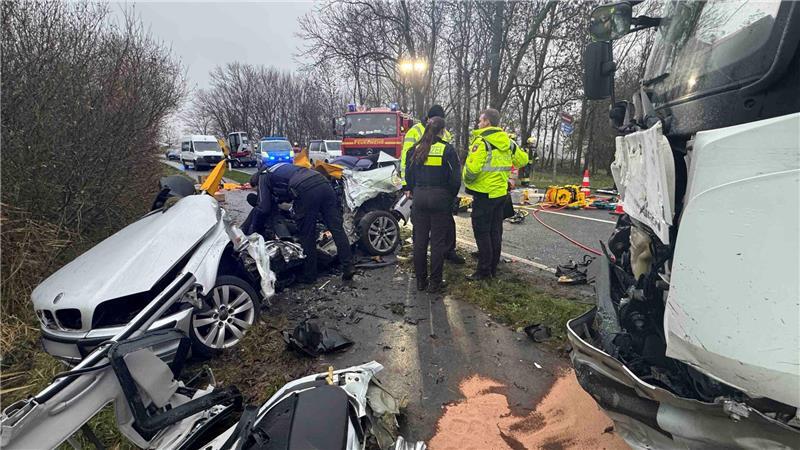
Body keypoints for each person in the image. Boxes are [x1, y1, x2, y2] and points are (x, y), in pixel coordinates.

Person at [244, 162, 355, 283]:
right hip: (323, 183)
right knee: (337, 229)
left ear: (255, 183)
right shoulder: (279, 168)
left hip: (305, 189)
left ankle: (310, 276)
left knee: (307, 234)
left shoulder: (263, 176)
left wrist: (254, 229)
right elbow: (285, 194)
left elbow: (263, 207)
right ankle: (348, 266)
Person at [462, 108, 529, 280]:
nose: (478, 123)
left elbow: (472, 170)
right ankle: (493, 268)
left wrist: (467, 180)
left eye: (480, 120)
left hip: (484, 194)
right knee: (495, 231)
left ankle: (483, 271)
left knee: (482, 232)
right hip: (500, 194)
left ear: (487, 122)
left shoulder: (481, 142)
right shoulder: (508, 142)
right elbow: (523, 160)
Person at [401, 104, 465, 265]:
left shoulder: (445, 134)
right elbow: (406, 160)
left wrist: (411, 186)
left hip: (425, 191)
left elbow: (409, 163)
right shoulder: (415, 131)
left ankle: (447, 252)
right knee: (431, 235)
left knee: (434, 230)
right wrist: (407, 185)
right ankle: (434, 271)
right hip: (434, 191)